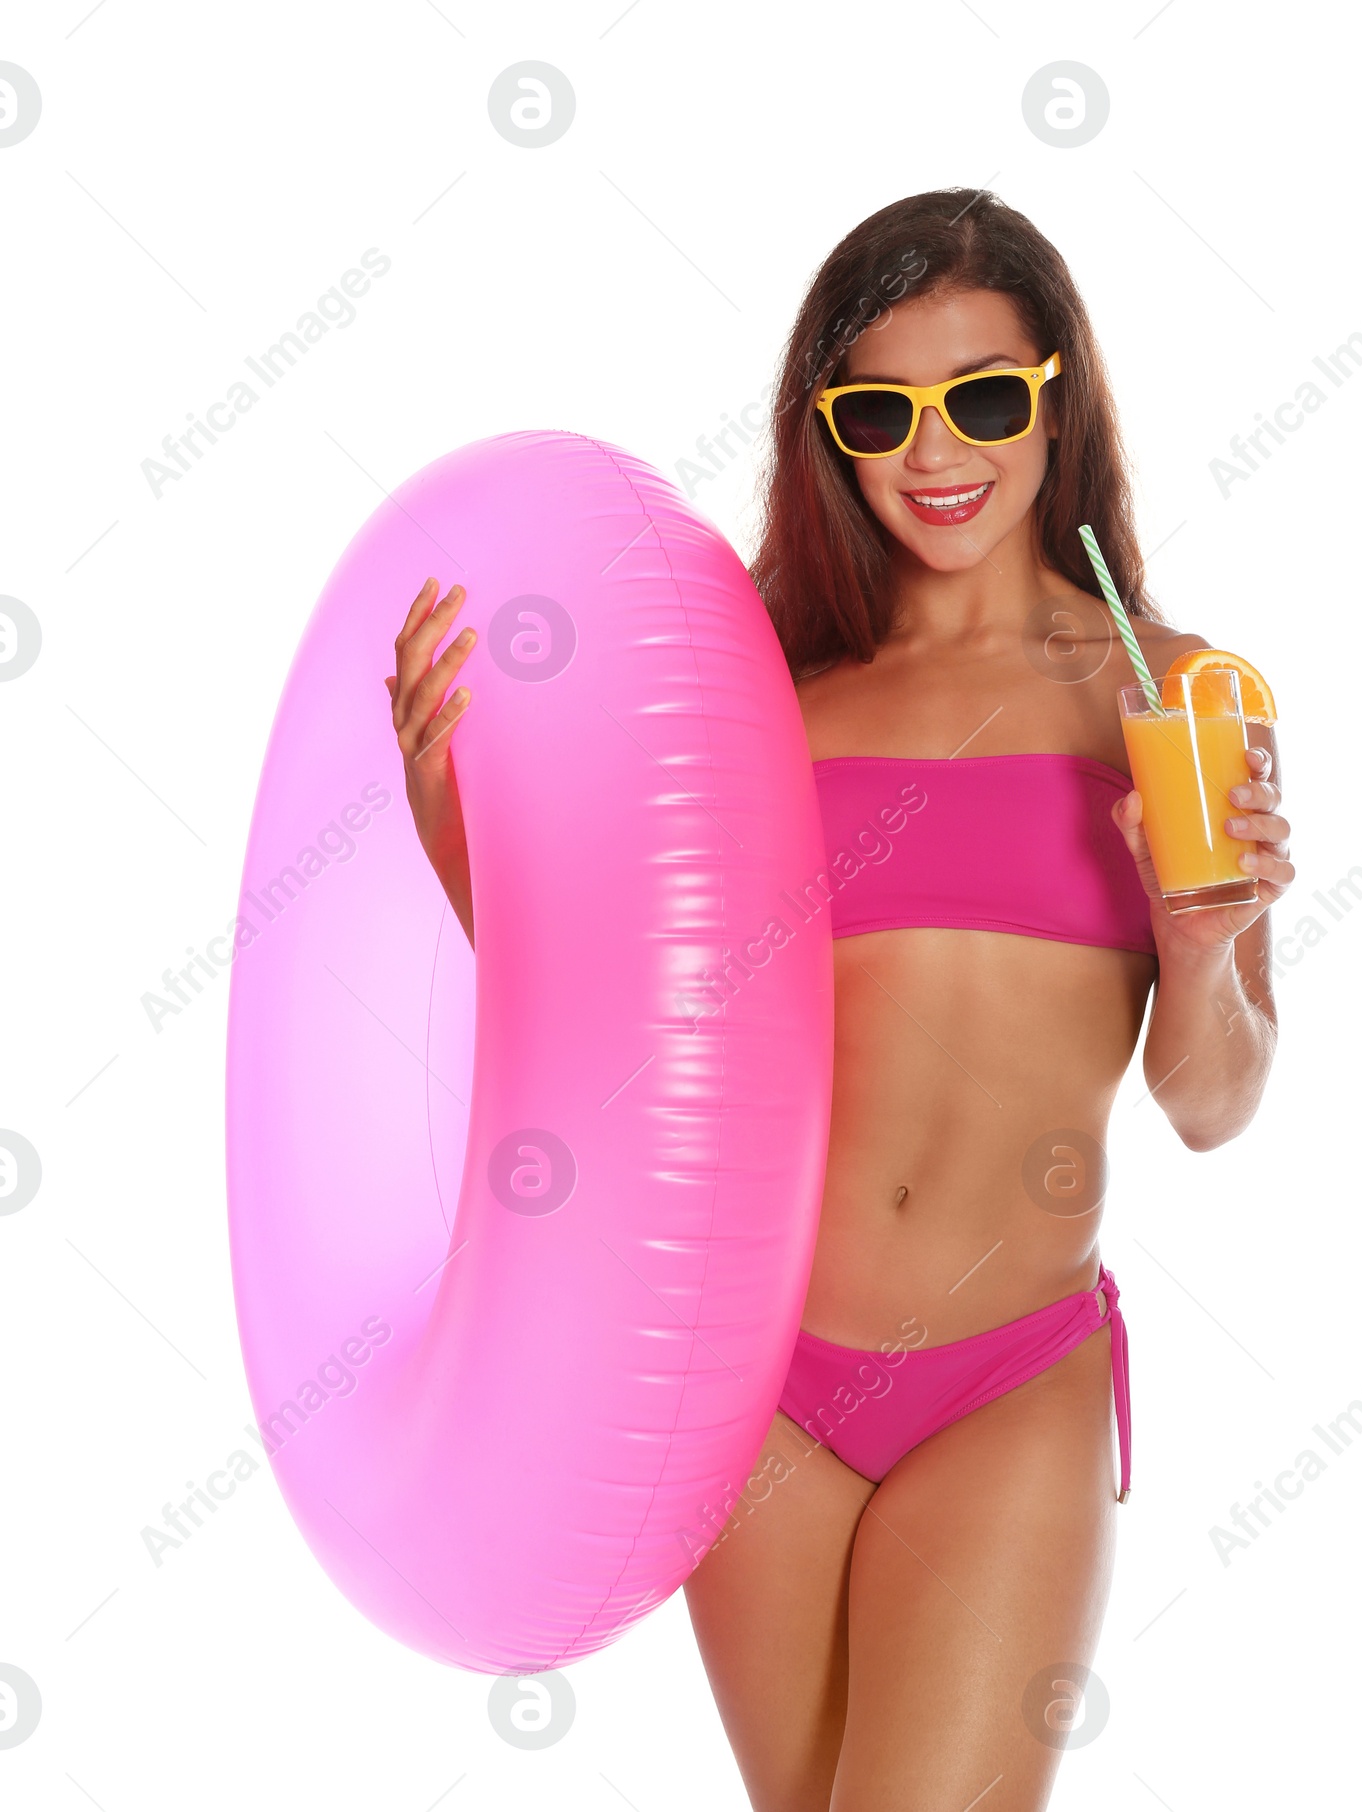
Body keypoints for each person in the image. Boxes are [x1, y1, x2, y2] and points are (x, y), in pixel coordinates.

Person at [386, 188, 1293, 1812]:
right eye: (881, 409)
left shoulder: (1172, 692)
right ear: (829, 432)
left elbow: (1211, 1104)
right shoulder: (764, 698)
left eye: (984, 398)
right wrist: (460, 840)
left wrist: (1202, 932)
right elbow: (615, 1036)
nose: (936, 452)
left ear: (1059, 392)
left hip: (1008, 1377)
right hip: (754, 1379)